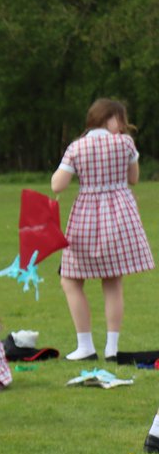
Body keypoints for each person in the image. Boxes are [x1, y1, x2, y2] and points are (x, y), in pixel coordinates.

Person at [51, 98, 153, 362]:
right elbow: (134, 179)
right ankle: (112, 347)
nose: (123, 125)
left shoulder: (77, 147)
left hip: (86, 215)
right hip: (120, 214)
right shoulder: (125, 144)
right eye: (120, 119)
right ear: (109, 118)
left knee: (71, 279)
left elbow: (57, 185)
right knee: (113, 281)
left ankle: (85, 345)